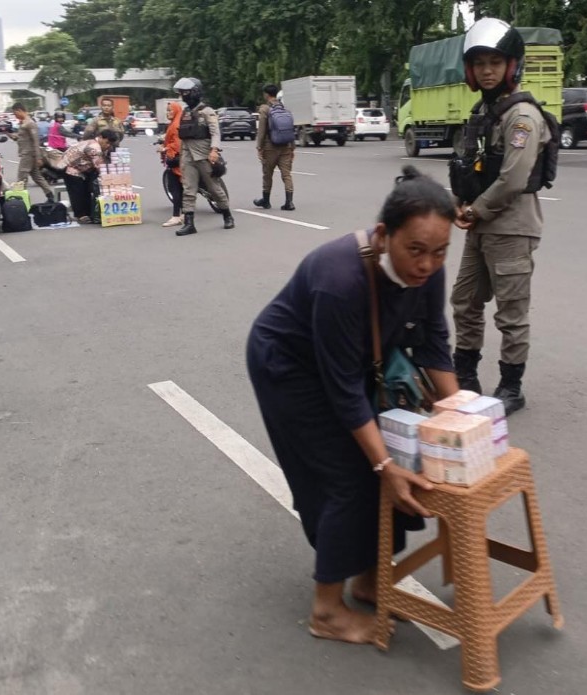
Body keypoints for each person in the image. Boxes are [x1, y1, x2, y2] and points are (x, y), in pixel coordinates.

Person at [246, 167, 459, 644]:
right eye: (416, 250)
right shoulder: (339, 278)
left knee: (392, 464)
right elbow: (342, 388)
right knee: (350, 475)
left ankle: (370, 582)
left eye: (440, 252)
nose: (426, 265)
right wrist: (382, 463)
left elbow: (434, 343)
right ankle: (327, 610)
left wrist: (465, 418)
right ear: (385, 235)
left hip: (355, 358)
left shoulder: (430, 270)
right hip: (289, 366)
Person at [450, 18, 549, 415]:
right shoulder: (484, 111)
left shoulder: (521, 115)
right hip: (480, 224)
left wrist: (474, 210)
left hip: (511, 227)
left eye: (495, 62)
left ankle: (511, 387)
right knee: (464, 301)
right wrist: (462, 202)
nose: (487, 70)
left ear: (511, 66)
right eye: (479, 64)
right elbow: (469, 163)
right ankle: (466, 378)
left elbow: (513, 178)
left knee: (510, 312)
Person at [173, 77, 235, 236]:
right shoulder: (185, 112)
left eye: (186, 92)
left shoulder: (207, 111)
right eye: (182, 92)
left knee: (214, 188)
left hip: (204, 154)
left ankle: (227, 215)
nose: (183, 95)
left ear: (195, 92)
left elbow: (215, 132)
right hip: (187, 154)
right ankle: (189, 223)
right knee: (188, 188)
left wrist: (214, 150)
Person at [253, 84, 295, 211]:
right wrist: (292, 147)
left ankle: (266, 201)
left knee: (267, 174)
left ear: (266, 94)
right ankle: (289, 202)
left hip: (270, 147)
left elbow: (261, 130)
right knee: (286, 175)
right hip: (286, 146)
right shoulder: (284, 108)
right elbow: (290, 129)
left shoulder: (265, 109)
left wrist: (259, 148)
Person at [9, 102, 54, 202]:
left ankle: (20, 199)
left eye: (15, 113)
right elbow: (24, 138)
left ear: (19, 110)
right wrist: (15, 137)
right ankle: (50, 196)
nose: (15, 116)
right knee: (37, 176)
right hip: (27, 153)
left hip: (29, 154)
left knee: (22, 176)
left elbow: (35, 141)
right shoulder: (23, 123)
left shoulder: (30, 123)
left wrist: (38, 157)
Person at [158, 101, 184, 227]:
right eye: (167, 110)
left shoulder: (176, 125)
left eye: (170, 110)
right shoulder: (176, 122)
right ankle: (183, 213)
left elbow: (177, 145)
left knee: (175, 189)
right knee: (181, 188)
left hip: (176, 160)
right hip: (182, 160)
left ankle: (176, 216)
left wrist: (165, 148)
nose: (168, 113)